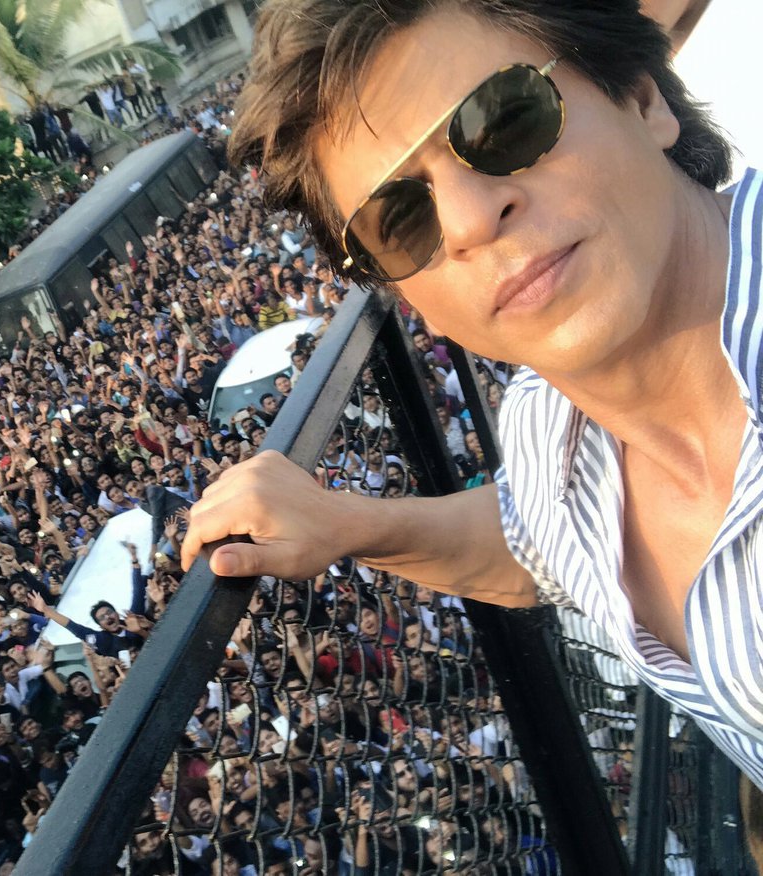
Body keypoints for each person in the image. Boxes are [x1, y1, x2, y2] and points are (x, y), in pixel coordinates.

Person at [183, 0, 763, 837]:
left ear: (642, 97)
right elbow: (536, 541)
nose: (466, 220)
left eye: (506, 121)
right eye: (401, 220)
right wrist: (353, 523)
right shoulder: (541, 430)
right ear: (410, 298)